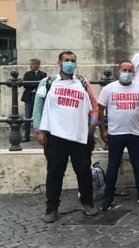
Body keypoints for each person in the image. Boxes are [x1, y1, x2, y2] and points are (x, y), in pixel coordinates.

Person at [32, 51, 100, 223]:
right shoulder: (46, 82)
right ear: (59, 63)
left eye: (73, 61)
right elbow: (38, 106)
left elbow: (93, 104)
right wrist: (39, 131)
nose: (69, 63)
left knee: (83, 170)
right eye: (66, 60)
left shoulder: (83, 82)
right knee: (55, 172)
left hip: (79, 134)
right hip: (55, 136)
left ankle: (87, 202)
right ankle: (52, 208)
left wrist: (92, 123)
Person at [98, 61, 139, 210]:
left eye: (130, 70)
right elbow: (100, 109)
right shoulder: (109, 89)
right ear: (119, 70)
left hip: (135, 134)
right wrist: (102, 130)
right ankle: (108, 198)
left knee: (138, 166)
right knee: (112, 166)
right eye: (124, 70)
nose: (127, 73)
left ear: (134, 72)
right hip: (115, 134)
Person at [21, 58, 47, 142]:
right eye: (30, 64)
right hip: (28, 97)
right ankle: (26, 135)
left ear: (37, 65)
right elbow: (25, 84)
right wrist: (35, 84)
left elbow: (43, 85)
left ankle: (41, 134)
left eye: (32, 64)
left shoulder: (43, 74)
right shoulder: (27, 74)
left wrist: (32, 84)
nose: (31, 66)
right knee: (27, 116)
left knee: (40, 116)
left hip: (38, 97)